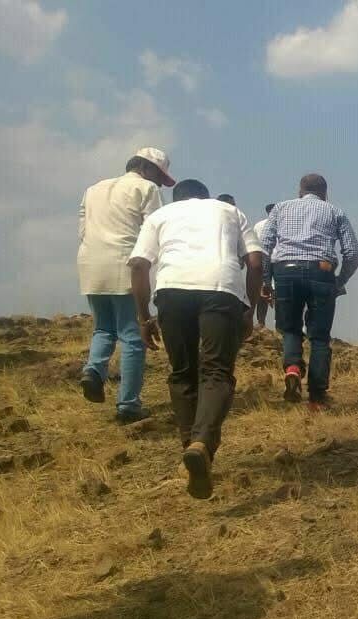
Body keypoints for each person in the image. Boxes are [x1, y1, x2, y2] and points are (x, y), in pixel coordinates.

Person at [127, 179, 262, 499]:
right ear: (206, 197)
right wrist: (250, 312)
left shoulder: (160, 215)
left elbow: (139, 265)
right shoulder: (230, 211)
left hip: (172, 290)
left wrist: (144, 318)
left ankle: (191, 445)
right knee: (216, 371)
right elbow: (256, 262)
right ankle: (202, 443)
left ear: (177, 198)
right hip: (221, 289)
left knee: (182, 372)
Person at [76, 147, 176, 423]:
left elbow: (82, 230)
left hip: (90, 263)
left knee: (104, 328)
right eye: (160, 177)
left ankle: (94, 370)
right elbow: (157, 229)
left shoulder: (94, 188)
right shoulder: (146, 189)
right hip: (125, 262)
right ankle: (128, 405)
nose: (160, 184)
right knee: (133, 336)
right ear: (148, 169)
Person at [260, 174, 358, 408]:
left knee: (290, 328)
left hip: (285, 270)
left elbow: (264, 246)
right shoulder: (335, 212)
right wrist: (339, 280)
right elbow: (352, 252)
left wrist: (266, 280)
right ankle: (316, 397)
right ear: (325, 193)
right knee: (320, 336)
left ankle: (293, 368)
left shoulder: (280, 208)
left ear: (300, 191)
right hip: (321, 271)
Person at [252, 203, 276, 328]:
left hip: (265, 261)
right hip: (276, 261)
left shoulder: (259, 225)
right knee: (268, 292)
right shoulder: (282, 224)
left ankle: (261, 322)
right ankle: (267, 323)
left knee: (263, 292)